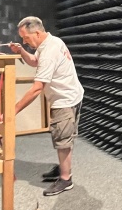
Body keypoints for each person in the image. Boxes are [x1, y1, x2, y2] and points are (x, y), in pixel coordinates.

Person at [8, 17, 84, 196]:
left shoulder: (49, 51)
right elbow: (35, 61)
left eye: (25, 38)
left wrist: (14, 110)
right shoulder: (51, 42)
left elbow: (37, 88)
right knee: (65, 137)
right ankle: (64, 168)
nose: (24, 42)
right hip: (72, 95)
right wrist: (21, 51)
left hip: (64, 100)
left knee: (62, 140)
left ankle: (65, 179)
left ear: (37, 32)